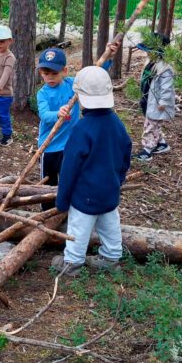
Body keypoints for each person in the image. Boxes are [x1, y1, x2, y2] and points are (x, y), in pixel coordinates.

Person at [51, 67, 132, 274]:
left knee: (79, 228)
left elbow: (69, 168)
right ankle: (112, 257)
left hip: (85, 195)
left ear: (81, 97)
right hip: (110, 191)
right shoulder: (117, 124)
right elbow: (126, 154)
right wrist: (118, 180)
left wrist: (62, 200)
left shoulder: (82, 128)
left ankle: (72, 263)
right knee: (110, 224)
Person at [36, 47, 80, 208]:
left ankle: (65, 208)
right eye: (46, 74)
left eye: (54, 73)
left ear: (64, 71)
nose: (50, 78)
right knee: (48, 181)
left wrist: (108, 57)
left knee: (68, 178)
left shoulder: (72, 85)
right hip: (48, 147)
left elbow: (93, 75)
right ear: (41, 73)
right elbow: (44, 115)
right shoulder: (43, 94)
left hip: (68, 146)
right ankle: (46, 211)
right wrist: (57, 113)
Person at [132, 33, 175, 161]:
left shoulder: (165, 68)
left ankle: (147, 150)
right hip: (147, 100)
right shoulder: (150, 64)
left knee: (150, 126)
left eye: (150, 51)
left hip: (157, 104)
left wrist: (163, 101)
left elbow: (167, 87)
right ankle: (162, 144)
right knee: (153, 124)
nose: (147, 53)